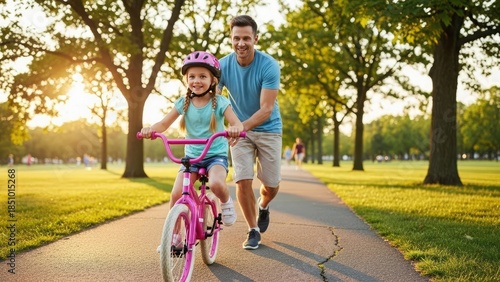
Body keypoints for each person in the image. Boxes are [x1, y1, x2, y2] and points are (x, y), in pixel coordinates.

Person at [141, 51, 244, 230]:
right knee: (176, 194)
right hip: (191, 159)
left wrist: (235, 129)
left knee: (216, 183)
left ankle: (226, 202)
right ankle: (174, 237)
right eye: (192, 76)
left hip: (215, 156)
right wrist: (150, 129)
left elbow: (237, 123)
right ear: (187, 79)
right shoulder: (183, 102)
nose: (197, 80)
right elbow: (164, 123)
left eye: (202, 76)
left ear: (212, 80)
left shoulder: (220, 102)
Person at [218, 15, 282, 250]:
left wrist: (240, 126)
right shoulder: (222, 66)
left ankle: (264, 205)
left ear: (255, 38)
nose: (241, 43)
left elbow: (266, 109)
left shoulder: (269, 65)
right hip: (238, 131)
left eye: (246, 38)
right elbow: (213, 98)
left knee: (271, 184)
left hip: (268, 130)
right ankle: (252, 229)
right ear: (231, 39)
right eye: (237, 38)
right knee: (242, 179)